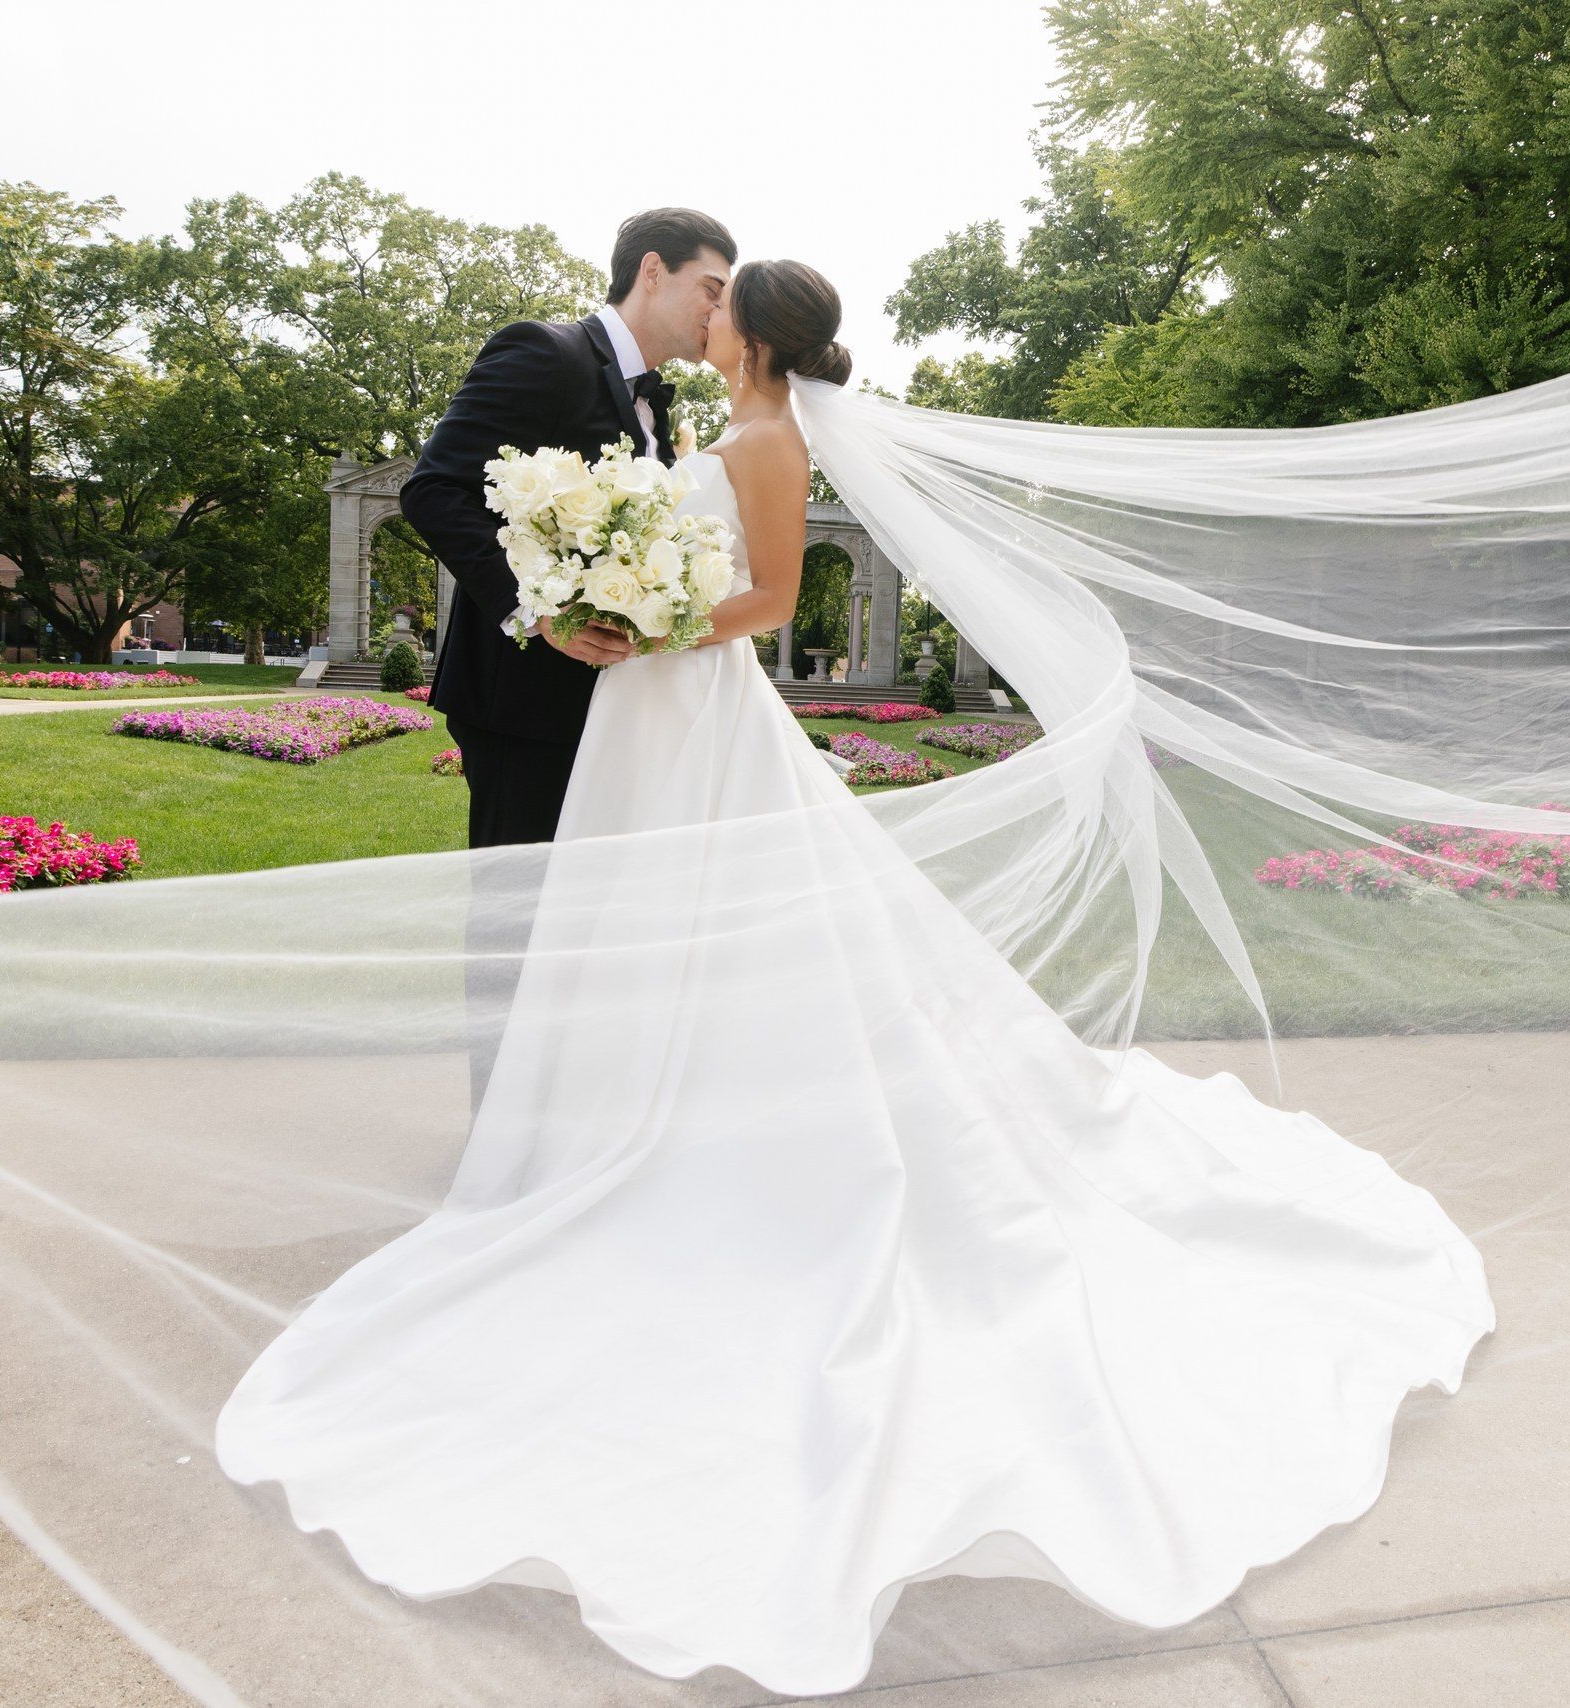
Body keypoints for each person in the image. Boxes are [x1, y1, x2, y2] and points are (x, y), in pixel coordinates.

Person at [216, 260, 1495, 1696]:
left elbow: (765, 599)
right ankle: (607, 1122)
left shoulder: (765, 441)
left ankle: (706, 1141)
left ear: (750, 333)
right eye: (695, 292)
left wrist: (642, 623)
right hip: (658, 717)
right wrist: (617, 603)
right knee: (642, 933)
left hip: (690, 705)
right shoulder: (720, 425)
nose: (701, 319)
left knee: (735, 937)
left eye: (719, 303)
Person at [399, 206, 736, 848]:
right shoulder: (543, 352)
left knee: (580, 929)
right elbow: (434, 490)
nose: (718, 315)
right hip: (522, 701)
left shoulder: (655, 410)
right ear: (654, 271)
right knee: (518, 926)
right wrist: (534, 614)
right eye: (711, 290)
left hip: (612, 709)